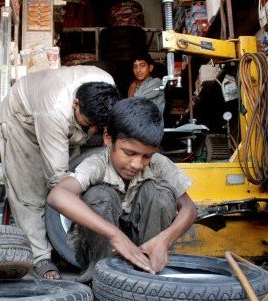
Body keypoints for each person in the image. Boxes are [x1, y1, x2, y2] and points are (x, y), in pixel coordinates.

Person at [0, 65, 121, 280]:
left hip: (61, 117)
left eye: (98, 125)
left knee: (79, 173)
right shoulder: (54, 109)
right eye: (89, 123)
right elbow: (59, 181)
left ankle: (62, 245)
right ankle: (40, 257)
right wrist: (86, 214)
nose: (94, 129)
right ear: (76, 103)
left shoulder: (106, 86)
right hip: (23, 121)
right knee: (30, 192)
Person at [47, 98, 197, 282]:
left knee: (159, 193)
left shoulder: (158, 164)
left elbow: (189, 208)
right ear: (108, 139)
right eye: (129, 152)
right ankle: (103, 279)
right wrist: (115, 235)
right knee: (99, 196)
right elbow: (57, 195)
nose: (137, 164)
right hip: (104, 250)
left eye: (147, 156)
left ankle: (149, 273)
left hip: (145, 248)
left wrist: (165, 240)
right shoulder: (97, 164)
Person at [127, 53, 165, 118]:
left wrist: (133, 85)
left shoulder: (157, 83)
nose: (138, 70)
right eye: (135, 66)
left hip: (152, 126)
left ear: (150, 68)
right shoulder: (136, 85)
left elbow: (131, 102)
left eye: (142, 65)